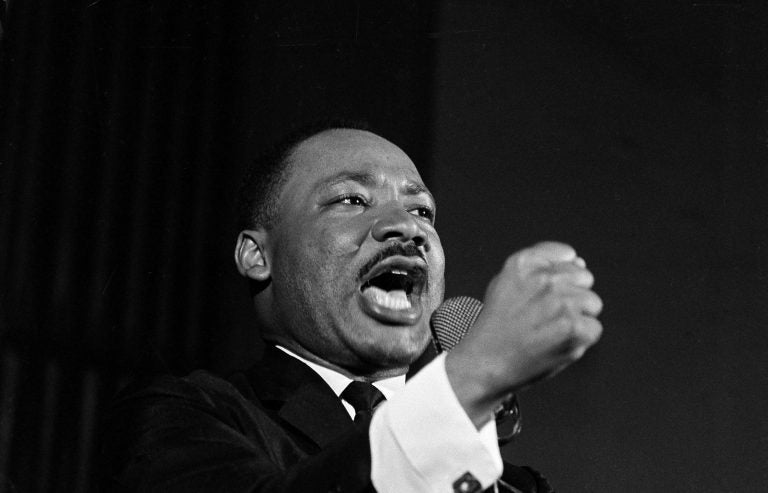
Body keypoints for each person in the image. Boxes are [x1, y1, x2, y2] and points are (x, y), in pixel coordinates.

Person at [102, 121, 603, 492]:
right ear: (257, 255)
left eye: (421, 209)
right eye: (351, 200)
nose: (407, 226)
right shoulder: (183, 414)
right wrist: (468, 381)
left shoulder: (514, 485)